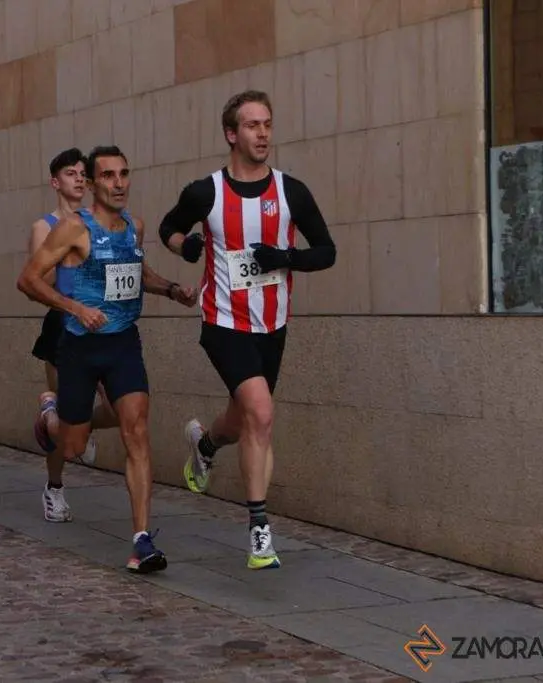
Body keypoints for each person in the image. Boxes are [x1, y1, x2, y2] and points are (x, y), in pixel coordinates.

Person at [158, 90, 337, 570]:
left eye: (267, 125)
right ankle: (259, 530)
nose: (262, 134)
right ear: (231, 134)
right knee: (261, 411)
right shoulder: (206, 192)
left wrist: (285, 257)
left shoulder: (291, 191)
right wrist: (185, 247)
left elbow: (327, 251)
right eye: (252, 125)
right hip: (223, 321)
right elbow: (168, 227)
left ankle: (206, 444)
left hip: (272, 324)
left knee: (245, 420)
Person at [17, 145, 197, 573]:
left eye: (124, 174)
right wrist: (74, 308)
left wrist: (173, 290)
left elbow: (137, 272)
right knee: (73, 446)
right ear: (93, 183)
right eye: (108, 176)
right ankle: (50, 416)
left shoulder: (134, 226)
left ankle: (141, 540)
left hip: (123, 343)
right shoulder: (72, 229)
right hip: (80, 345)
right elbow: (28, 280)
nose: (119, 183)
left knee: (137, 430)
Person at [29, 147, 117, 464]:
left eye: (82, 174)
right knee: (66, 427)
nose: (79, 179)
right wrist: (68, 251)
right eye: (70, 174)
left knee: (118, 409)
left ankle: (83, 424)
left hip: (101, 322)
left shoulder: (99, 222)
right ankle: (55, 484)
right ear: (55, 182)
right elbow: (37, 280)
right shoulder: (44, 227)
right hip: (63, 322)